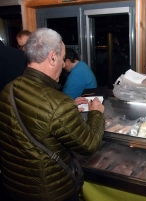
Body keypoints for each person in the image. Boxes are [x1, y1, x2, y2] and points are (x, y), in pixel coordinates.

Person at [0, 28, 105, 201]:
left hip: (13, 187)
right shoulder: (58, 103)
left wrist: (69, 107)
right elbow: (90, 144)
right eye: (63, 58)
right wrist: (96, 113)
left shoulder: (8, 89)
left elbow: (34, 117)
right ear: (52, 57)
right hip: (50, 192)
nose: (64, 64)